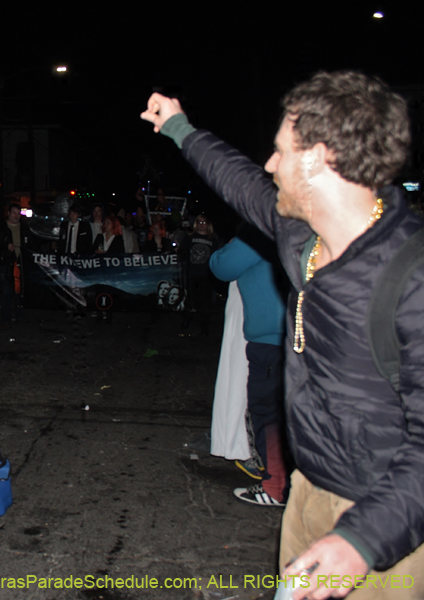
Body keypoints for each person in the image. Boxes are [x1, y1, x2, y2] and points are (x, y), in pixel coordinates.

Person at [142, 70, 423, 599]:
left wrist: (361, 540)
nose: (270, 165)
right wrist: (180, 127)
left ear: (316, 158)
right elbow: (241, 182)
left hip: (386, 525)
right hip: (308, 492)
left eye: (279, 152)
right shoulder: (303, 236)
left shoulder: (412, 277)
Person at [210, 228, 289, 507]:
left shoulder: (260, 231)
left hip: (269, 339)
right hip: (298, 335)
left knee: (267, 413)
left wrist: (232, 241)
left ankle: (276, 486)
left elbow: (221, 265)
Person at [0, 202, 28, 323]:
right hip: (5, 264)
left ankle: (19, 315)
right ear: (8, 213)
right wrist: (5, 246)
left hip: (19, 263)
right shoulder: (1, 228)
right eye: (14, 213)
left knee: (19, 290)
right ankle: (5, 317)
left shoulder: (24, 227)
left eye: (18, 213)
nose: (16, 216)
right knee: (7, 291)